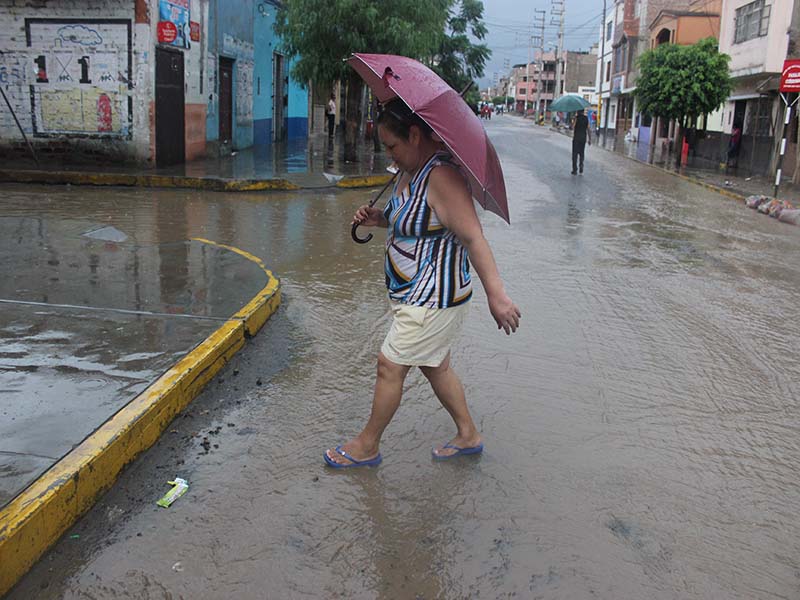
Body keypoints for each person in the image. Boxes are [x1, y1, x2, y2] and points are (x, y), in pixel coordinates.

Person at [324, 99, 521, 468]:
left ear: (415, 135)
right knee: (436, 367)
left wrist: (498, 296)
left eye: (392, 146)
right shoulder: (408, 173)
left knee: (389, 365)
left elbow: (474, 238)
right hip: (414, 293)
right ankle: (468, 435)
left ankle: (367, 445)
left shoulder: (440, 176)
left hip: (434, 297)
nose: (390, 154)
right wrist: (379, 218)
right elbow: (414, 222)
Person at [571, 108, 591, 175]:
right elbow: (588, 129)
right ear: (583, 112)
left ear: (577, 112)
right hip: (583, 139)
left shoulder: (576, 118)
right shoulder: (586, 118)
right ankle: (581, 167)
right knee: (581, 153)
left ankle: (575, 170)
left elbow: (573, 127)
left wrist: (573, 120)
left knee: (575, 154)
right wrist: (590, 139)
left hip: (576, 138)